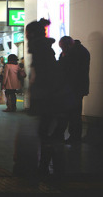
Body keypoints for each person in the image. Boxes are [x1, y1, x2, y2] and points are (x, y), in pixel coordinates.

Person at [26, 19, 71, 178]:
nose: (26, 38)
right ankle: (50, 167)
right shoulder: (44, 48)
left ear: (32, 34)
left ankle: (48, 168)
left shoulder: (40, 50)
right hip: (53, 97)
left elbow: (46, 77)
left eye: (27, 34)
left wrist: (38, 96)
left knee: (47, 133)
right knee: (48, 132)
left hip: (50, 98)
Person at [58, 36, 90, 144]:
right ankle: (74, 136)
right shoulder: (78, 51)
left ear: (68, 45)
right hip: (75, 88)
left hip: (74, 88)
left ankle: (74, 137)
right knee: (73, 113)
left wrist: (63, 58)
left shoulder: (78, 53)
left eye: (63, 48)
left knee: (74, 114)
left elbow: (72, 71)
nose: (62, 50)